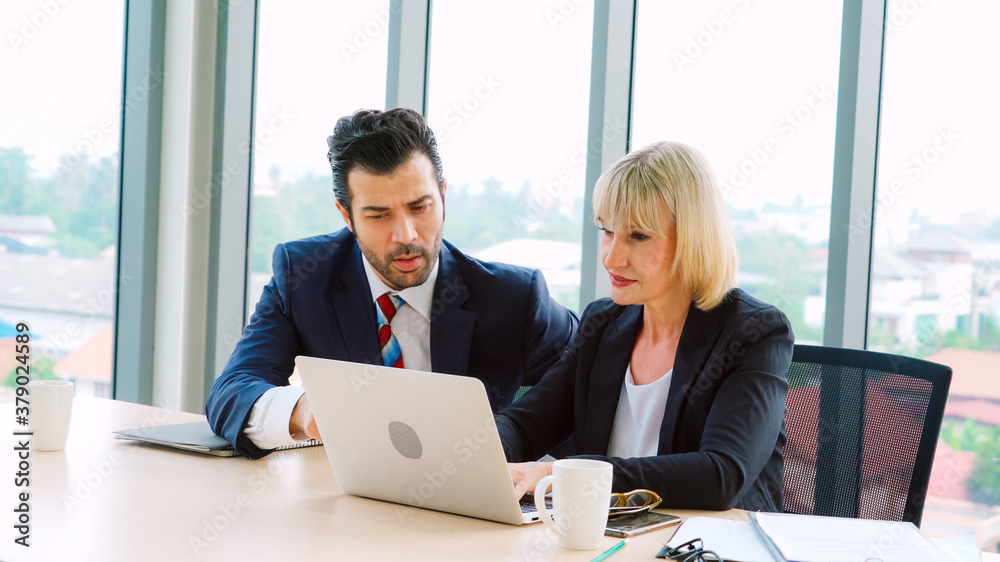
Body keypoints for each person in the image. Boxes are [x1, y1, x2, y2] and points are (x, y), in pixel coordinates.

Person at [206, 108, 579, 460]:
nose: (406, 235)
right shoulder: (304, 276)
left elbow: (588, 395)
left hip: (470, 506)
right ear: (347, 215)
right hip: (349, 502)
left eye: (420, 207)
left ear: (443, 196)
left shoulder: (514, 297)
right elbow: (233, 391)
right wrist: (304, 412)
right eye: (379, 215)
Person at [497, 141, 793, 512]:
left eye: (638, 236)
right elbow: (526, 425)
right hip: (609, 540)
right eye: (608, 231)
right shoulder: (603, 323)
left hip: (704, 547)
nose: (611, 257)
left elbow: (720, 476)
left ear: (692, 239)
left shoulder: (754, 333)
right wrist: (479, 455)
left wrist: (568, 475)